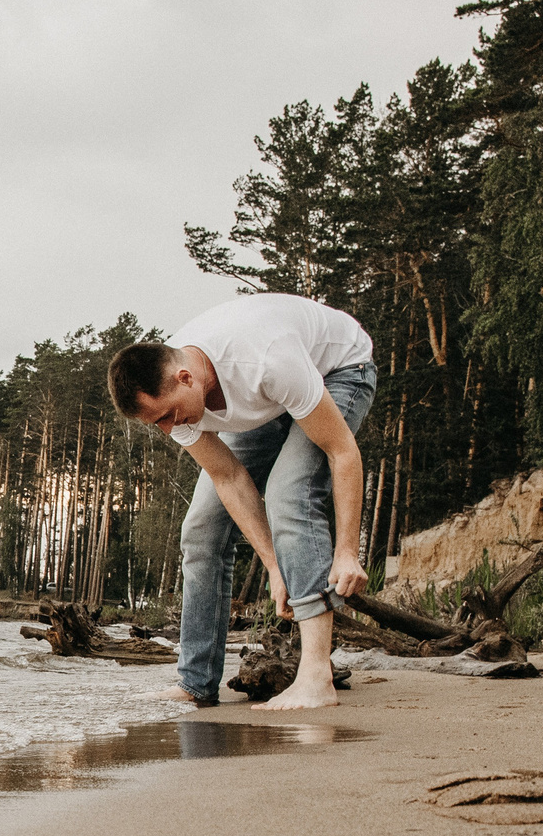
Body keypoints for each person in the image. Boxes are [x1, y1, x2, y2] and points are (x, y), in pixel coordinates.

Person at [106, 296, 379, 712]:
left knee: (290, 492)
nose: (167, 429)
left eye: (167, 416)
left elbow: (343, 452)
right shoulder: (178, 401)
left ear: (185, 378)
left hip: (339, 370)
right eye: (155, 423)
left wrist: (346, 552)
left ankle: (316, 676)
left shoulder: (264, 358)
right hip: (266, 401)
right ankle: (196, 682)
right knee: (200, 531)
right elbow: (229, 477)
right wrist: (273, 564)